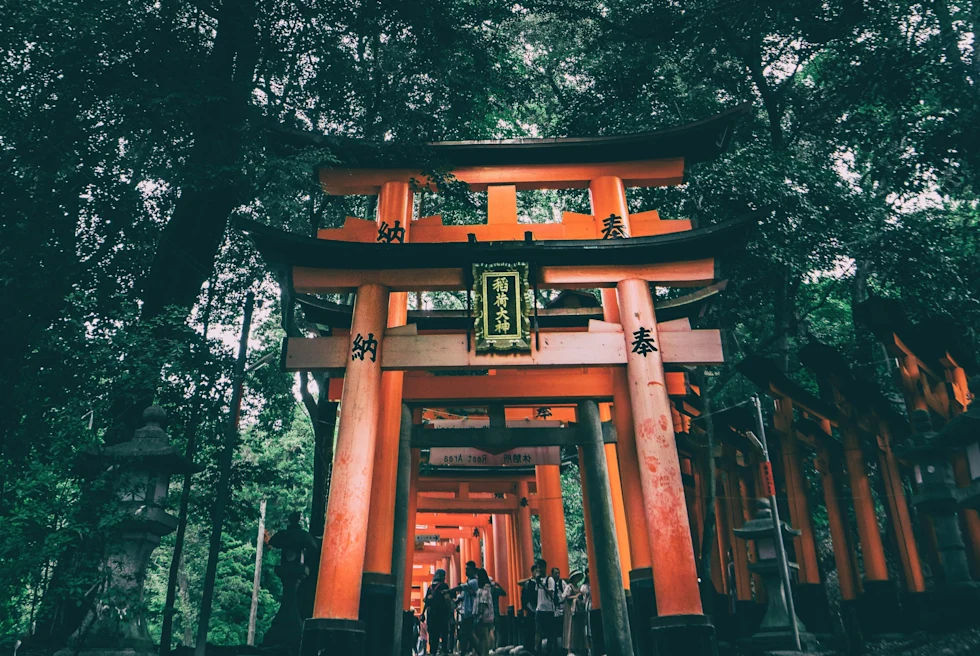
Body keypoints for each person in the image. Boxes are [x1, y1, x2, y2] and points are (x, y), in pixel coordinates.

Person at [449, 560, 480, 655]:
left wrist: (449, 591)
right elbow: (462, 596)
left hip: (472, 612)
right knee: (465, 633)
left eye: (467, 569)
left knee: (467, 633)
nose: (466, 571)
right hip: (466, 612)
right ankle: (465, 652)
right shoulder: (469, 582)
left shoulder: (474, 582)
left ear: (473, 570)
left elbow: (461, 587)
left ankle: (479, 652)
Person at [532, 558, 559, 656]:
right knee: (538, 631)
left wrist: (543, 585)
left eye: (540, 567)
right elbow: (536, 593)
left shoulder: (550, 579)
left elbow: (551, 594)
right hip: (539, 609)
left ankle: (551, 651)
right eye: (537, 568)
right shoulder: (538, 580)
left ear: (544, 567)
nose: (538, 570)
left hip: (548, 610)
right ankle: (537, 651)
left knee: (550, 632)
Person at [423, 569, 451, 655]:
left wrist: (422, 613)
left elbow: (426, 602)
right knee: (444, 633)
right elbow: (447, 599)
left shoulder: (430, 587)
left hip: (431, 614)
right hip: (442, 614)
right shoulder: (444, 586)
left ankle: (433, 651)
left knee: (433, 635)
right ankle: (445, 651)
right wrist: (450, 611)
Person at [475, 568, 496, 656]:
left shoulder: (483, 589)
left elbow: (482, 603)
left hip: (484, 615)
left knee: (483, 636)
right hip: (490, 614)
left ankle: (485, 653)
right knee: (486, 634)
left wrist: (479, 614)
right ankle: (486, 652)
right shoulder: (489, 588)